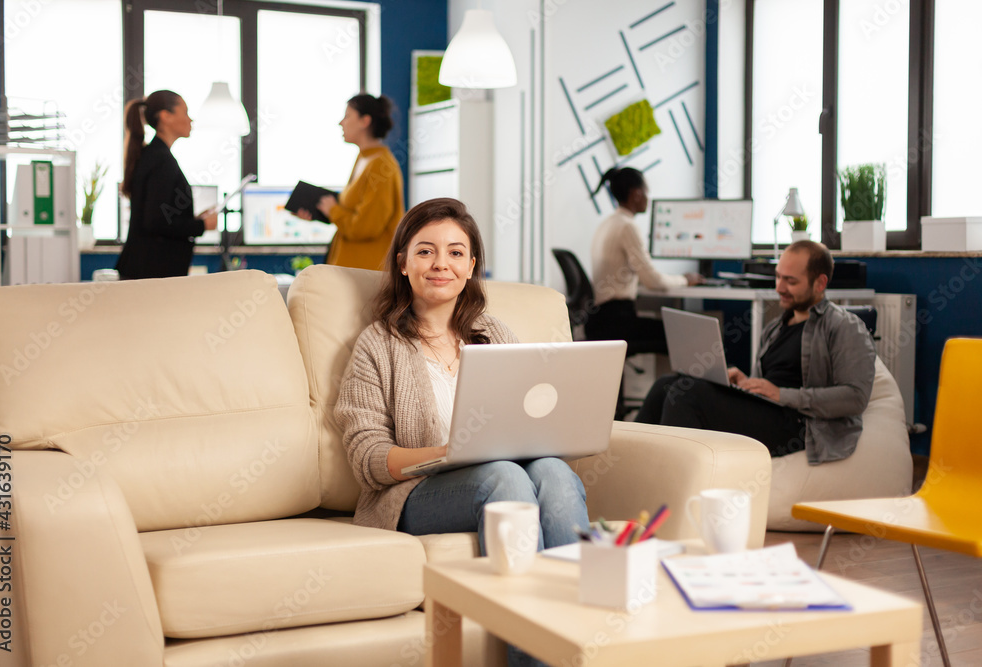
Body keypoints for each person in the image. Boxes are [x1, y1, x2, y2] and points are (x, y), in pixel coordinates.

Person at [335, 198, 586, 667]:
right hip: (414, 494)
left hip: (505, 473)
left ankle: (585, 643)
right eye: (425, 251)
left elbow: (530, 421)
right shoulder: (378, 344)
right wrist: (448, 452)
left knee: (553, 471)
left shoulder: (496, 334)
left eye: (455, 252)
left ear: (470, 267)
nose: (440, 264)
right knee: (503, 477)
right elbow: (367, 457)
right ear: (403, 263)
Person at [636, 240, 876, 463]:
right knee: (666, 385)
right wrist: (745, 384)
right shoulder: (775, 328)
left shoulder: (844, 326)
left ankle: (669, 484)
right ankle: (632, 471)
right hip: (769, 413)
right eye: (778, 277)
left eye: (791, 281)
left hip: (801, 423)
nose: (779, 287)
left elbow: (855, 398)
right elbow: (765, 387)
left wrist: (782, 394)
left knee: (688, 394)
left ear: (820, 283)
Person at [586, 167, 702, 417]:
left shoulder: (608, 224)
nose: (648, 198)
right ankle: (681, 411)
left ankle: (667, 408)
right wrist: (686, 279)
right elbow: (652, 280)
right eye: (646, 192)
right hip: (617, 321)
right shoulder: (627, 227)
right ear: (636, 194)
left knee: (671, 330)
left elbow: (631, 274)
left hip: (601, 320)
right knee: (684, 337)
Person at [117, 90, 218, 279]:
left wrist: (193, 220)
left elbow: (159, 215)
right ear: (165, 116)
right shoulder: (160, 160)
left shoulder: (153, 156)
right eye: (185, 112)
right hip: (151, 273)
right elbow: (155, 222)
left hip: (146, 271)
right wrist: (201, 225)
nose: (190, 120)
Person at [296, 93, 404, 270]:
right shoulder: (364, 158)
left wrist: (333, 211)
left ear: (364, 121)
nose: (341, 123)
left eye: (347, 116)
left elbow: (366, 227)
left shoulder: (380, 166)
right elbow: (352, 210)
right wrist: (318, 210)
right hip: (350, 268)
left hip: (367, 272)